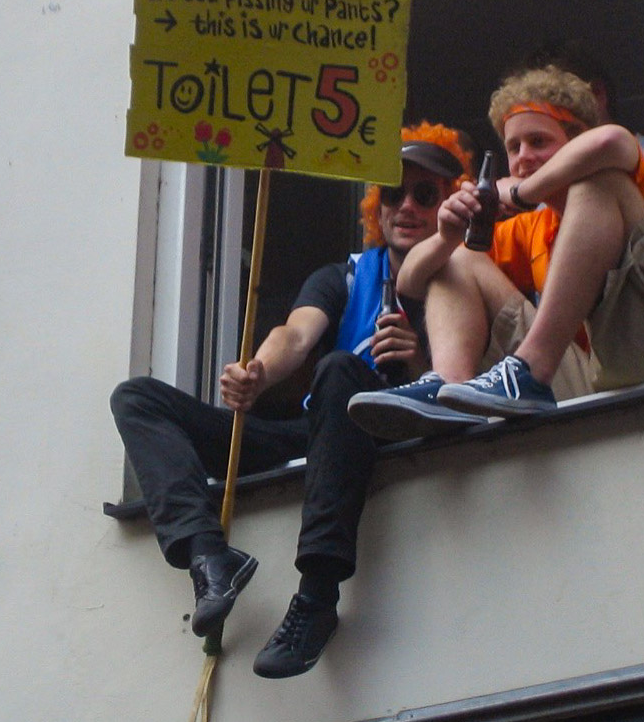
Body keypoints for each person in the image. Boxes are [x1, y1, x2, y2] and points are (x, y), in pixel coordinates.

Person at [111, 123, 476, 679]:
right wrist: (257, 370)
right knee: (137, 398)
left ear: (452, 203)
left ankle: (317, 594)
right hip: (320, 433)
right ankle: (208, 557)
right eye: (393, 193)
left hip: (400, 431)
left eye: (425, 195)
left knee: (339, 370)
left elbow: (466, 384)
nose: (406, 207)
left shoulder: (461, 274)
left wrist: (419, 364)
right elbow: (296, 334)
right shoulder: (349, 275)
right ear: (375, 207)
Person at [354, 66, 644, 424]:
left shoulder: (617, 172)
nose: (523, 157)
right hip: (586, 381)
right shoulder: (532, 227)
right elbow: (410, 280)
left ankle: (529, 370)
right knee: (459, 258)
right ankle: (447, 390)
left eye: (538, 141)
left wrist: (523, 192)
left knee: (595, 186)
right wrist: (447, 236)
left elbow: (610, 142)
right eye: (513, 147)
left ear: (576, 138)